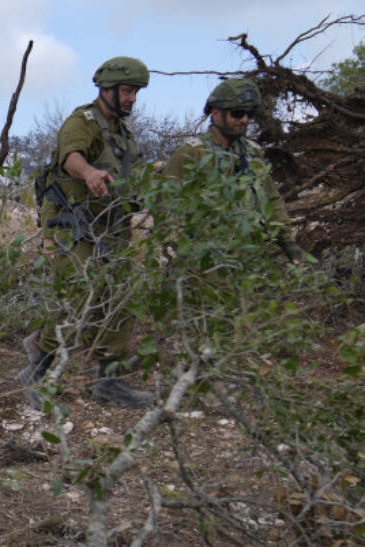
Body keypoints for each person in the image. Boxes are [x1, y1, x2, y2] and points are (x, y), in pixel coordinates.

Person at [19, 57, 155, 410]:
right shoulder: (83, 122)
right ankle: (37, 375)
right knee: (74, 299)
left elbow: (137, 177)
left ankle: (109, 382)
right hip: (74, 224)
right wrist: (90, 173)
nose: (132, 99)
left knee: (119, 299)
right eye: (127, 91)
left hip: (112, 226)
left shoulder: (123, 134)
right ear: (106, 90)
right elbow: (71, 158)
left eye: (135, 92)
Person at [161, 78, 306, 262]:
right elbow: (166, 205)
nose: (244, 120)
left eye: (248, 114)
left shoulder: (252, 152)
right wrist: (185, 250)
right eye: (237, 114)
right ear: (216, 113)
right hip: (206, 262)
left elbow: (271, 198)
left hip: (251, 257)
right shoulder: (191, 153)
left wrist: (288, 242)